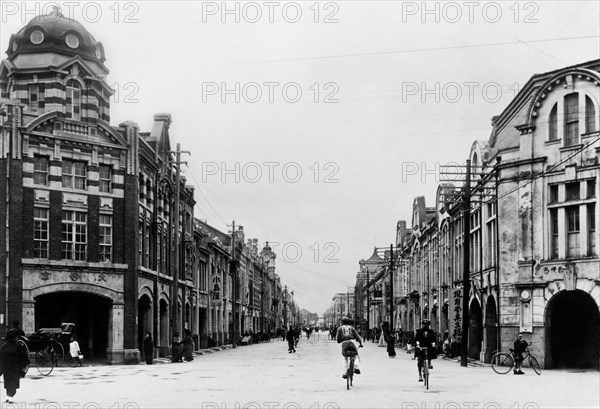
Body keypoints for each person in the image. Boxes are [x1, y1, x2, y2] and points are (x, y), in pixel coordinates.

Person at [0, 328, 30, 403]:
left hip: (6, 367)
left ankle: (8, 395)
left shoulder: (4, 347)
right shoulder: (19, 346)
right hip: (15, 367)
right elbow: (23, 356)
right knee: (14, 381)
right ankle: (10, 396)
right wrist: (26, 363)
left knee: (7, 382)